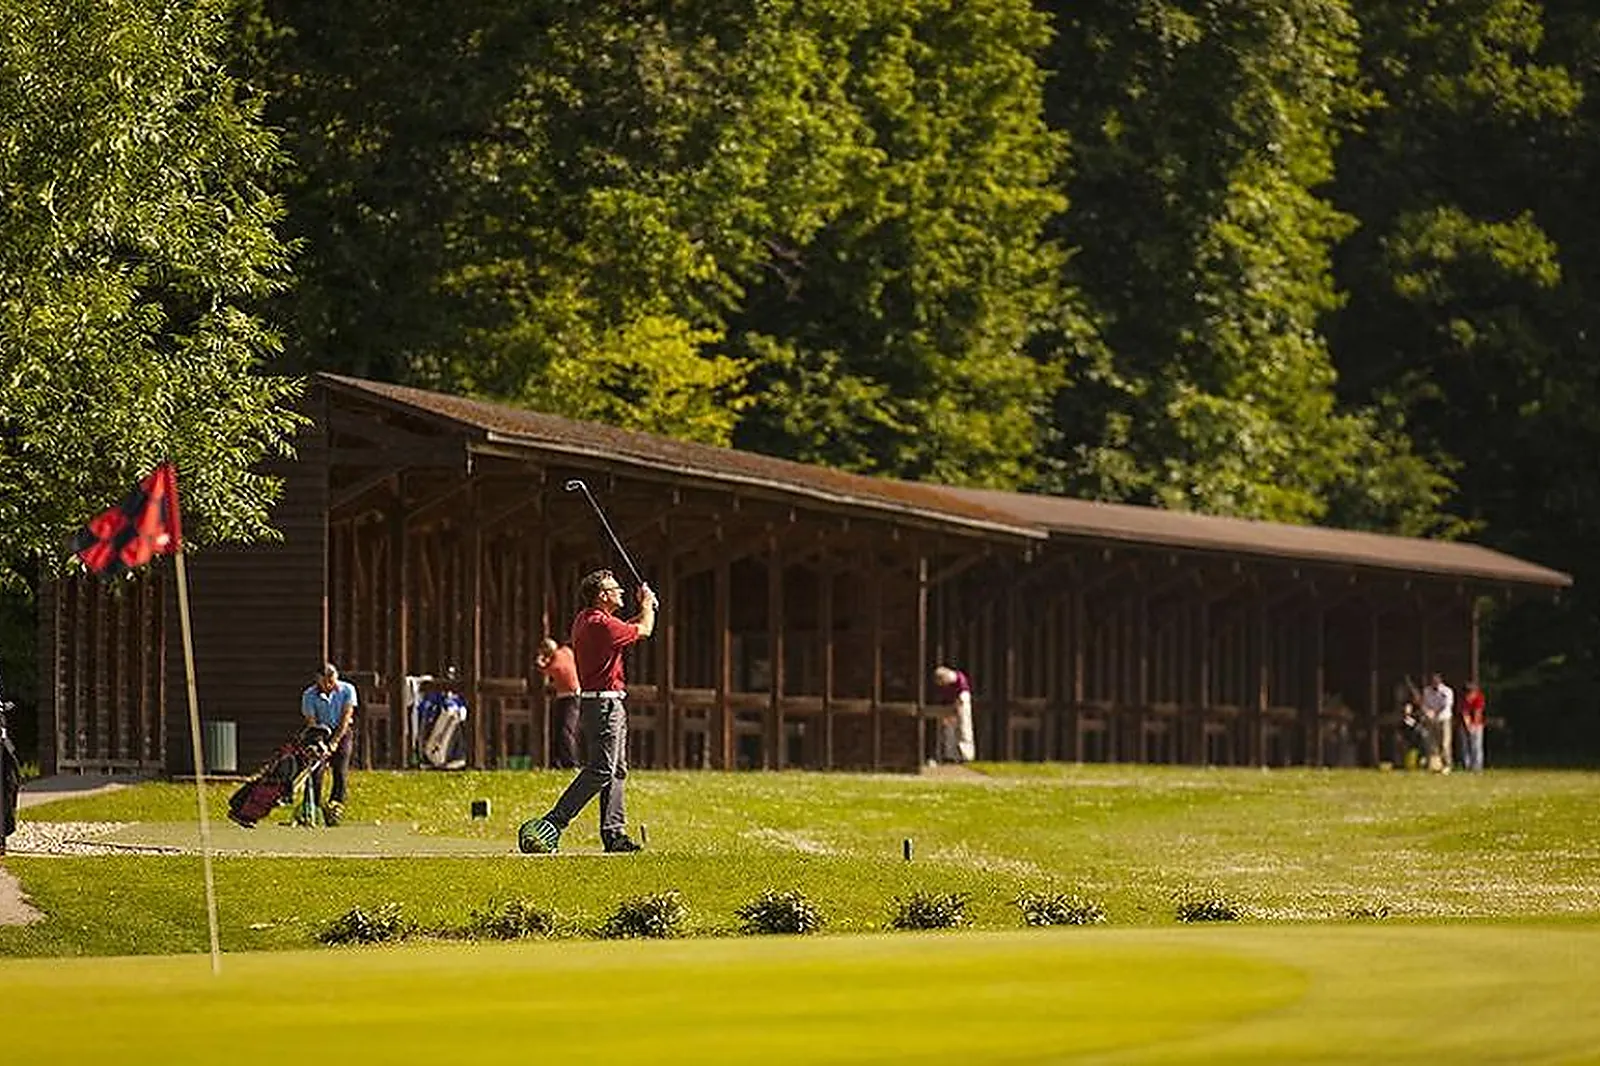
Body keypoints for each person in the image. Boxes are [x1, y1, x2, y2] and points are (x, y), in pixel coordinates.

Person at [519, 570, 657, 854]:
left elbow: (625, 630)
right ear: (603, 596)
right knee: (602, 769)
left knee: (617, 770)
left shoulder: (589, 620)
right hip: (605, 705)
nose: (621, 592)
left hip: (602, 704)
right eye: (616, 589)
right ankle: (554, 822)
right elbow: (644, 629)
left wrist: (643, 610)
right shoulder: (601, 625)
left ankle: (614, 834)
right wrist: (647, 604)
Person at [300, 662, 358, 825]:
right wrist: (320, 743)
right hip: (319, 733)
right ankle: (311, 810)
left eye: (332, 680)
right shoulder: (309, 695)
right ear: (318, 680)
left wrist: (334, 742)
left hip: (342, 732)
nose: (330, 685)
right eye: (326, 681)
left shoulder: (348, 690)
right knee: (316, 773)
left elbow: (346, 718)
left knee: (340, 772)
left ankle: (335, 809)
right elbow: (312, 723)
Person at [536, 637, 582, 768]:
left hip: (572, 696)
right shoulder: (567, 651)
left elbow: (556, 668)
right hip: (564, 696)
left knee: (565, 731)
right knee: (559, 730)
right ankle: (558, 763)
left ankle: (571, 763)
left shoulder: (558, 656)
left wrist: (541, 664)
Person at [416, 666, 469, 770]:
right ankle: (436, 757)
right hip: (437, 718)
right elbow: (427, 707)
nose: (450, 677)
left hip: (454, 718)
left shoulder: (459, 693)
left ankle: (455, 757)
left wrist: (460, 708)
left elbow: (462, 704)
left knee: (456, 723)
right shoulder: (436, 692)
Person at [932, 665, 976, 764]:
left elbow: (962, 698)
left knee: (964, 730)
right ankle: (950, 756)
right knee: (948, 731)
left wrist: (958, 708)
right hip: (951, 706)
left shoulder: (958, 679)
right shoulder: (945, 686)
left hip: (961, 704)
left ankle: (965, 756)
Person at [1420, 672, 1454, 774]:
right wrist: (1427, 712)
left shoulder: (1447, 691)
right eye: (1432, 681)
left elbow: (1446, 705)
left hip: (1443, 719)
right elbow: (1425, 704)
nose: (1434, 683)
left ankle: (1447, 765)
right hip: (1431, 720)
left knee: (1444, 743)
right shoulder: (1426, 691)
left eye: (1436, 681)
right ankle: (1435, 765)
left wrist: (1435, 713)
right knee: (1432, 744)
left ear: (1440, 681)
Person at [1460, 680, 1487, 772]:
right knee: (1465, 746)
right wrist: (1468, 726)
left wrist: (1474, 726)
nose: (1468, 697)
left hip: (1478, 724)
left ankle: (1477, 767)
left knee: (1476, 746)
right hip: (1465, 725)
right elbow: (1465, 713)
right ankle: (1467, 766)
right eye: (1466, 694)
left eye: (1470, 694)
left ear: (1474, 692)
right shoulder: (1463, 699)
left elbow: (1478, 712)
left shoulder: (1480, 698)